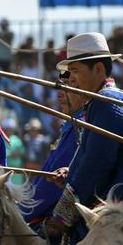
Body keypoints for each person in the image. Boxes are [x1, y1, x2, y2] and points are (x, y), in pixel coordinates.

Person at [46, 32, 123, 236]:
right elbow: (87, 155)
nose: (69, 79)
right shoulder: (99, 102)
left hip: (119, 204)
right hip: (109, 200)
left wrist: (62, 216)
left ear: (98, 69)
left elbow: (96, 163)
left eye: (74, 71)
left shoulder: (107, 102)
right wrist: (71, 173)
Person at [23, 72, 84, 224]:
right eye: (59, 88)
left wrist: (23, 212)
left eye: (67, 87)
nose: (59, 95)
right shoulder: (71, 126)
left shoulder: (80, 128)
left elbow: (51, 186)